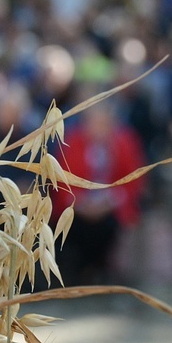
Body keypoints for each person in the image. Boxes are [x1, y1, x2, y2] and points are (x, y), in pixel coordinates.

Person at [52, 100, 147, 285]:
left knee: (107, 227)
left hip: (111, 206)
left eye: (104, 123)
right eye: (94, 123)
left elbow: (134, 179)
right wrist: (81, 204)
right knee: (77, 228)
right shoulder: (72, 142)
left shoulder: (125, 142)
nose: (99, 129)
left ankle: (101, 268)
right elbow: (62, 180)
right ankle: (81, 271)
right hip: (78, 207)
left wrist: (110, 201)